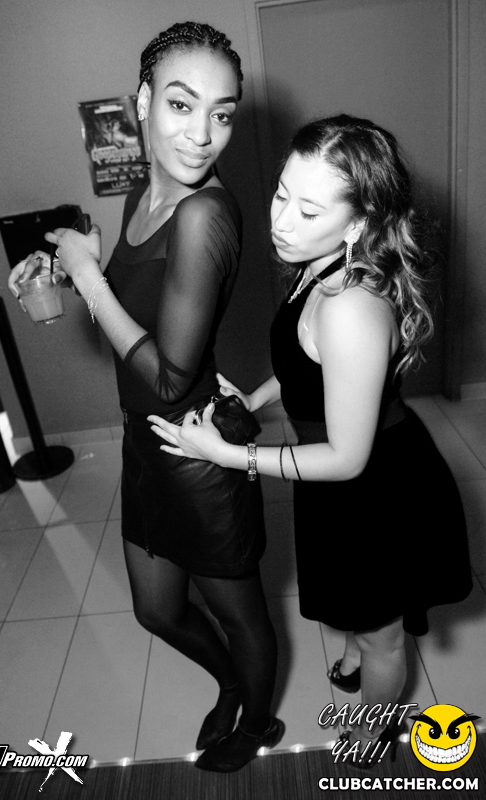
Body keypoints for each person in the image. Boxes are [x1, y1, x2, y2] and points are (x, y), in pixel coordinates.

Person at [148, 114, 473, 766]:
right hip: (332, 478)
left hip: (376, 490)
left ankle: (371, 732)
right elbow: (310, 363)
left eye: (309, 210)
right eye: (281, 195)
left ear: (358, 225)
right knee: (351, 604)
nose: (282, 222)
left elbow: (347, 457)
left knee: (383, 636)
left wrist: (230, 455)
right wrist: (257, 399)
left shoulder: (350, 305)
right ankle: (354, 653)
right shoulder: (317, 264)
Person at [8, 22, 283, 774]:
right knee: (156, 610)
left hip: (197, 451)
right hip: (145, 442)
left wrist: (88, 277)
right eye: (182, 105)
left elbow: (168, 376)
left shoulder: (206, 213)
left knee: (243, 617)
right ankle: (232, 683)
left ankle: (257, 721)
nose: (202, 134)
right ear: (142, 102)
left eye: (222, 113)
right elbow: (142, 300)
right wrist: (65, 275)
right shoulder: (145, 191)